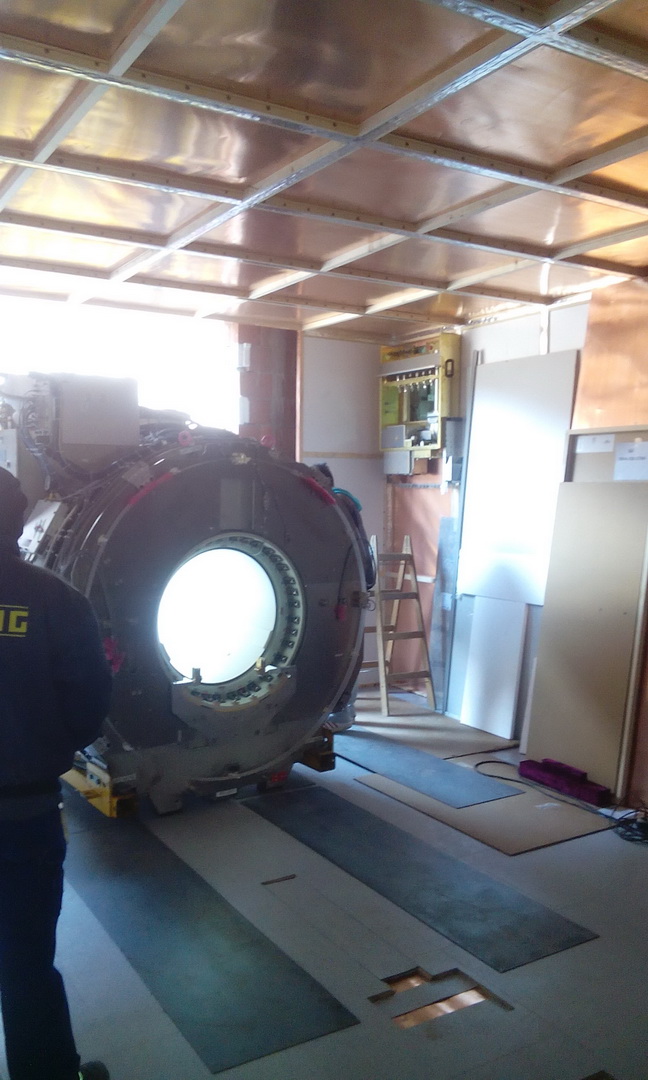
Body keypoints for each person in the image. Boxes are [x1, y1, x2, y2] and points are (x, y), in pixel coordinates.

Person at [0, 467, 113, 1080]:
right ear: (21, 518)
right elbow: (89, 709)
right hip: (24, 817)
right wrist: (46, 747)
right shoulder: (56, 602)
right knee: (24, 961)